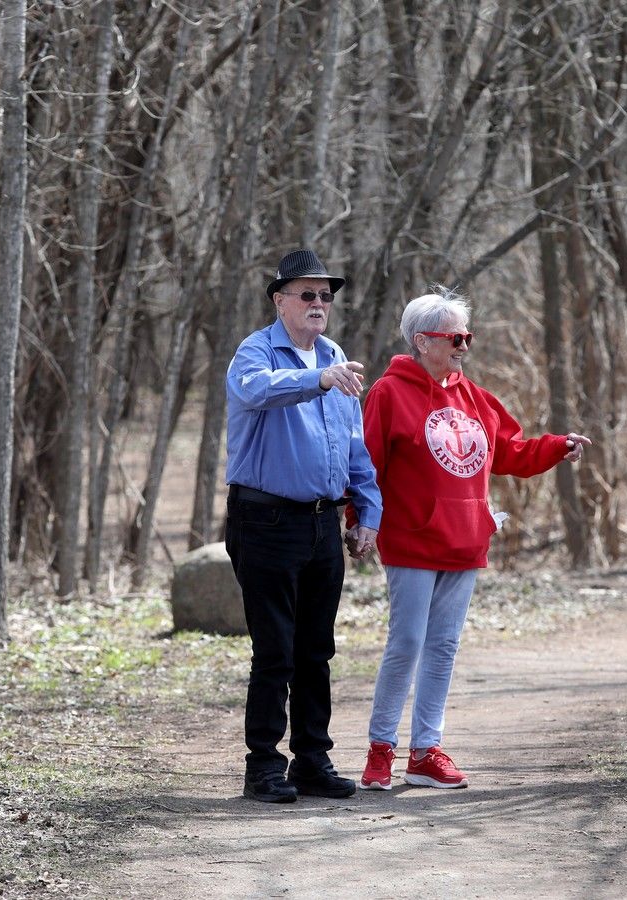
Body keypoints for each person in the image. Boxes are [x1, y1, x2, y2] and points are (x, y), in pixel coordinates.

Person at [347, 287, 590, 790]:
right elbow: (366, 464)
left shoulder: (474, 397)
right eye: (455, 337)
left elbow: (511, 450)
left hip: (465, 539)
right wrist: (359, 519)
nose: (463, 345)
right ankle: (380, 750)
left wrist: (555, 447)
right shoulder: (389, 394)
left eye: (467, 336)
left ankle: (425, 752)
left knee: (443, 646)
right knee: (407, 642)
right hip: (412, 538)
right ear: (422, 340)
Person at [224, 248, 381, 803]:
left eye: (326, 296)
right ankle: (262, 766)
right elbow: (254, 391)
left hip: (323, 524)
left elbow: (353, 443)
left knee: (317, 649)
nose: (319, 304)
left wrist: (367, 511)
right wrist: (318, 379)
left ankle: (312, 760)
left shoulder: (335, 355)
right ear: (280, 300)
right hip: (265, 520)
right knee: (276, 651)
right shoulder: (255, 351)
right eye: (307, 294)